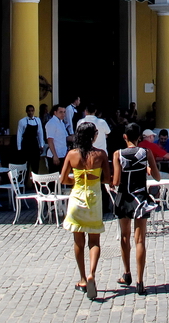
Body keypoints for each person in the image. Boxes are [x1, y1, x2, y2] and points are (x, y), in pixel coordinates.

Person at [61, 120, 110, 301]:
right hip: (94, 198)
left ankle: (82, 278)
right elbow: (107, 178)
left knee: (78, 241)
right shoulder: (100, 154)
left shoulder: (72, 154)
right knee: (94, 241)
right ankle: (92, 274)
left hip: (76, 199)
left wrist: (77, 180)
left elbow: (63, 179)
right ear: (93, 136)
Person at [112, 123, 159, 296]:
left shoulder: (118, 154)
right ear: (139, 137)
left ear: (125, 137)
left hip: (124, 197)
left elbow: (116, 181)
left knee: (125, 237)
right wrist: (146, 168)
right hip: (141, 198)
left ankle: (127, 274)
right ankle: (140, 281)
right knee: (140, 240)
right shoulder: (146, 153)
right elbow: (157, 176)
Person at [16, 105, 45, 171]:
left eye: (32, 111)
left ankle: (35, 180)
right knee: (25, 166)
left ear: (34, 111)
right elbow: (19, 135)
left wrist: (41, 145)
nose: (30, 112)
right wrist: (19, 148)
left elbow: (40, 133)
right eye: (29, 111)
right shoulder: (22, 121)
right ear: (26, 111)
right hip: (26, 144)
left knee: (35, 164)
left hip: (34, 143)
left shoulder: (38, 120)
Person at [46, 105, 69, 172]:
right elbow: (50, 140)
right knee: (54, 179)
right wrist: (55, 156)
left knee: (62, 177)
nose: (63, 114)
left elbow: (66, 137)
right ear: (55, 112)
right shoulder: (51, 123)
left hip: (62, 153)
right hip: (55, 155)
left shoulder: (61, 123)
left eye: (64, 112)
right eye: (61, 112)